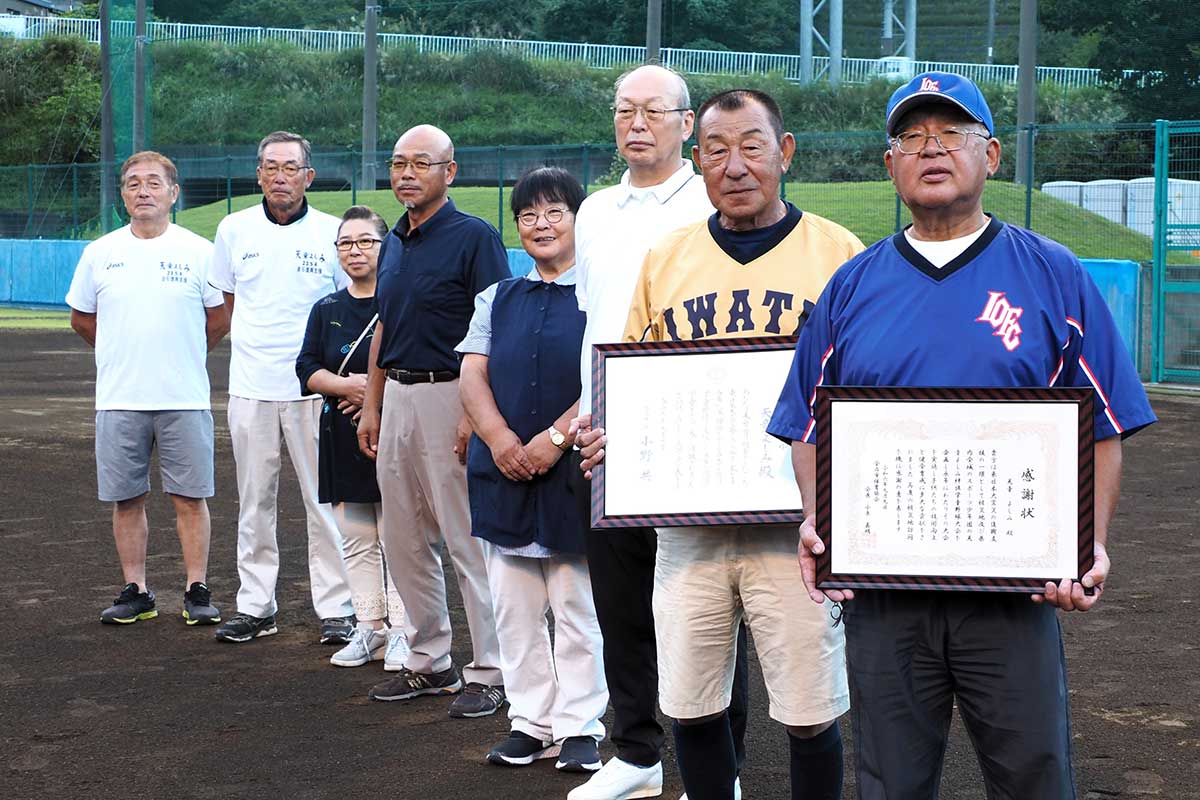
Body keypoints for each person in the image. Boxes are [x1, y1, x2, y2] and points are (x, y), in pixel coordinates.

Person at [767, 72, 1158, 799]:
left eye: (952, 134)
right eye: (912, 137)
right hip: (886, 597)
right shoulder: (851, 287)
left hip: (1014, 592)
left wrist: (1089, 542)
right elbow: (808, 425)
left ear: (993, 155)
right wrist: (819, 519)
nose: (931, 149)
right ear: (891, 165)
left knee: (1034, 777)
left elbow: (1103, 424)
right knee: (890, 782)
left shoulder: (1052, 274)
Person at [582, 89, 862, 800]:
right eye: (716, 150)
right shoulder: (667, 257)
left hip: (795, 527)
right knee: (691, 700)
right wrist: (612, 438)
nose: (735, 166)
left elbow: (866, 389)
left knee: (807, 709)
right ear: (697, 157)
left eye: (752, 146)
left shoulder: (840, 254)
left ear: (785, 151)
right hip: (689, 523)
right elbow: (638, 378)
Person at [567, 64, 752, 800]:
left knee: (706, 608)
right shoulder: (595, 211)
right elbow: (597, 319)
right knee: (621, 605)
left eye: (653, 111)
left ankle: (722, 770)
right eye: (623, 110)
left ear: (685, 124)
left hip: (688, 435)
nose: (636, 123)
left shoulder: (710, 205)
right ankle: (638, 756)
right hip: (605, 437)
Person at [457, 168, 608, 772]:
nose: (540, 225)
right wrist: (497, 439)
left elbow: (603, 370)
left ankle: (580, 727)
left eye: (555, 213)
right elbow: (472, 372)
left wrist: (552, 439)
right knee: (513, 608)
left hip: (572, 471)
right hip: (502, 471)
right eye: (528, 216)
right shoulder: (498, 296)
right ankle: (529, 721)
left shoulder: (598, 295)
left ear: (579, 220)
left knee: (577, 606)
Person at [357, 125, 508, 718]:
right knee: (402, 537)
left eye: (422, 162)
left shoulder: (474, 238)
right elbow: (384, 328)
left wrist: (479, 413)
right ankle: (429, 660)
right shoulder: (393, 240)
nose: (406, 173)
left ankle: (492, 670)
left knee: (467, 537)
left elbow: (497, 329)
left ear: (451, 171)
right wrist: (371, 403)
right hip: (396, 394)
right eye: (398, 163)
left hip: (452, 396)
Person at [66, 150, 229, 626]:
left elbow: (218, 319)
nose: (143, 191)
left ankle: (196, 588)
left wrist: (183, 353)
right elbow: (80, 317)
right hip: (119, 398)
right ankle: (136, 590)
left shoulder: (199, 252)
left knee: (190, 497)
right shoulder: (101, 252)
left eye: (154, 183)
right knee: (126, 498)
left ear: (173, 194)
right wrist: (119, 346)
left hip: (184, 397)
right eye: (133, 183)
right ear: (122, 194)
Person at [208, 131, 356, 645]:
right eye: (270, 167)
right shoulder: (233, 229)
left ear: (308, 176)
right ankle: (255, 606)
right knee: (253, 502)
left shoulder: (333, 233)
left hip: (313, 392)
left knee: (325, 505)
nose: (279, 176)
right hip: (250, 387)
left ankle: (338, 608)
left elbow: (347, 307)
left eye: (290, 167)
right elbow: (227, 304)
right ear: (258, 175)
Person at [295, 205, 409, 669]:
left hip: (394, 434)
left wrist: (374, 398)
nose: (355, 251)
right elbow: (305, 367)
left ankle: (406, 630)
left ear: (387, 247)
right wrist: (345, 386)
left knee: (401, 538)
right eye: (346, 243)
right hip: (341, 437)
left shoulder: (401, 302)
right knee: (358, 537)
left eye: (366, 241)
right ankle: (369, 628)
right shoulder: (326, 308)